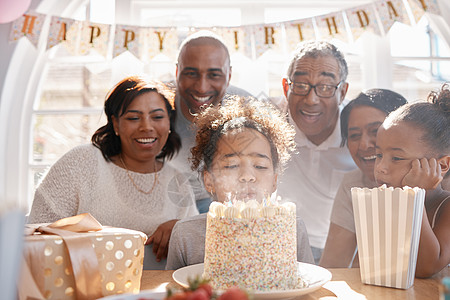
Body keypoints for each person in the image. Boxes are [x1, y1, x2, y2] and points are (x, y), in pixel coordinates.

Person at [28, 76, 198, 269]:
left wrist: (179, 229)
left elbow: (194, 255)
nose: (147, 127)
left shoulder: (178, 182)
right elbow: (36, 236)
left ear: (169, 124)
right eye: (133, 118)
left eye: (157, 117)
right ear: (115, 124)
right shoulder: (81, 163)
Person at [165, 96, 314, 270]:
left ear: (274, 181)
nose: (247, 176)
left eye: (259, 166)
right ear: (209, 180)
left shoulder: (292, 228)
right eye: (232, 165)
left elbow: (306, 285)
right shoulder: (186, 235)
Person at [276, 40, 356, 263]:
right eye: (301, 85)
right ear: (286, 88)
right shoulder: (268, 125)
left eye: (325, 88)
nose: (311, 100)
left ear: (342, 92)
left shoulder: (358, 131)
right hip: (279, 248)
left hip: (344, 252)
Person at [319, 88, 408, 268]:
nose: (364, 145)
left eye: (375, 131)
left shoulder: (438, 182)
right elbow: (334, 266)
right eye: (354, 136)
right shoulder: (353, 185)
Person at [169, 30, 252, 214]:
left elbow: (258, 181)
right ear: (177, 72)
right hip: (165, 206)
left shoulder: (247, 110)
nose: (201, 87)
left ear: (229, 75)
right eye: (191, 73)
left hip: (225, 209)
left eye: (214, 75)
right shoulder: (156, 103)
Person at [374, 84, 450, 278]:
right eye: (378, 154)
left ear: (441, 165)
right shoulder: (386, 202)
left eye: (396, 158)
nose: (381, 167)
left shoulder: (446, 207)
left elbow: (426, 266)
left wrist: (414, 196)